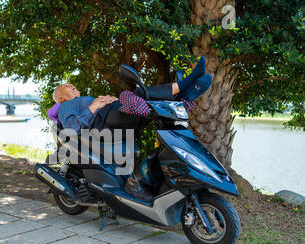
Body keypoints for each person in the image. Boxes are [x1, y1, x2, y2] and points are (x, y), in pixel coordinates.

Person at [52, 56, 212, 201]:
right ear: (60, 97)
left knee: (150, 108)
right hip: (103, 126)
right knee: (137, 93)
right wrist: (96, 105)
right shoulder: (65, 106)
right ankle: (187, 84)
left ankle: (183, 97)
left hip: (116, 124)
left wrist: (108, 101)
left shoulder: (85, 99)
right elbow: (73, 127)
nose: (71, 85)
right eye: (66, 85)